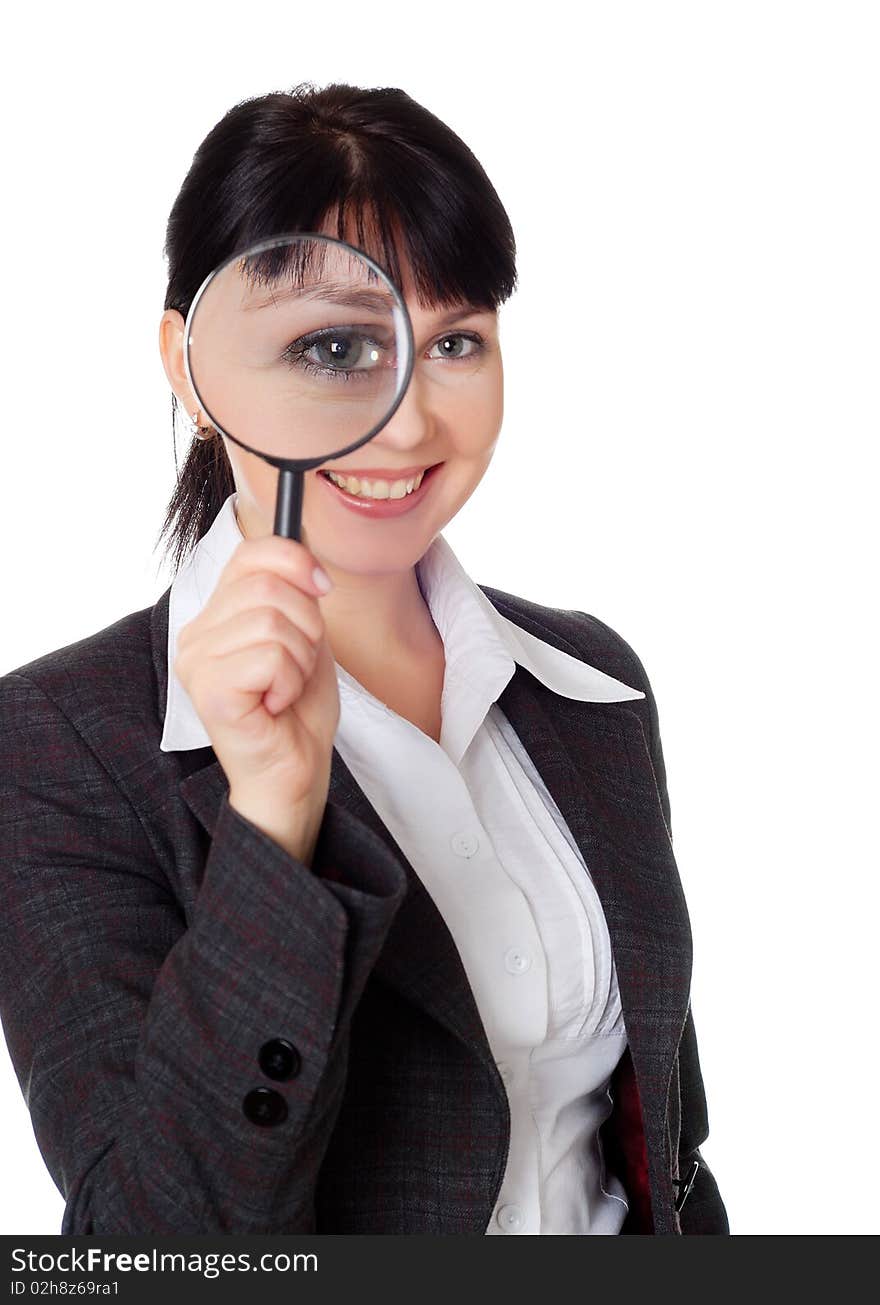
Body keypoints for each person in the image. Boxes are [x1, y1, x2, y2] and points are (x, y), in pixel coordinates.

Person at [0, 82, 729, 1235]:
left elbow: (662, 1147)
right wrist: (273, 822)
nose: (405, 422)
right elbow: (149, 1242)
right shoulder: (60, 740)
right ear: (191, 371)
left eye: (454, 341)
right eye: (331, 345)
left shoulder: (589, 687)